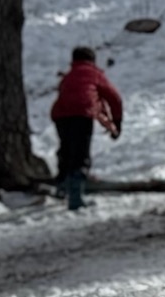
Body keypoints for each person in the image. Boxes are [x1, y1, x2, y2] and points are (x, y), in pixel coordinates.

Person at [50, 46, 122, 210]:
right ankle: (75, 198)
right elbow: (114, 98)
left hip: (60, 115)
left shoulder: (68, 76)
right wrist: (117, 122)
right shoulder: (95, 74)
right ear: (92, 60)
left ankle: (61, 188)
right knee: (80, 154)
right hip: (82, 114)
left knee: (66, 149)